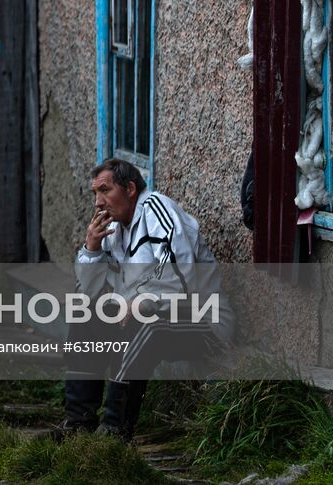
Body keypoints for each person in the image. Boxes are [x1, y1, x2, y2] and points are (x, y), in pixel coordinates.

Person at [63, 157, 234, 439]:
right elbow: (87, 292)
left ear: (130, 188)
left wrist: (138, 303)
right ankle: (77, 425)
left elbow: (179, 278)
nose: (98, 202)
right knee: (86, 317)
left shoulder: (156, 210)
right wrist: (91, 250)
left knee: (144, 326)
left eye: (105, 190)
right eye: (95, 193)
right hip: (144, 317)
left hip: (204, 322)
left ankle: (114, 430)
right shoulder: (113, 229)